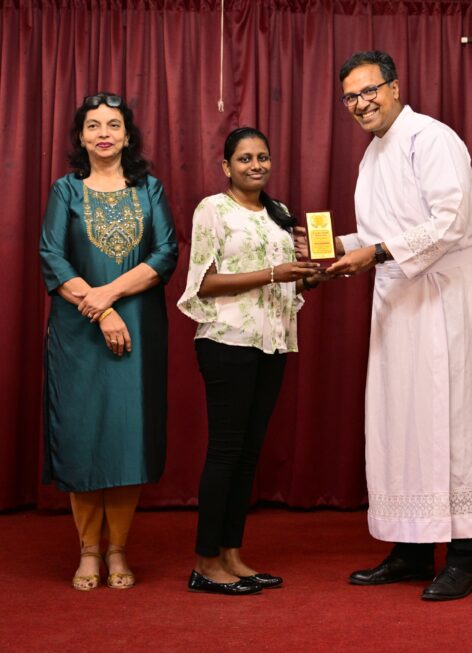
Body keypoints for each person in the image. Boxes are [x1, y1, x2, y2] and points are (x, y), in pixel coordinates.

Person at [326, 50, 472, 601]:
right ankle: (412, 547)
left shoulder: (431, 137)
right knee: (400, 423)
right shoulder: (372, 155)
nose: (361, 103)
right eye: (350, 96)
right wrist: (331, 251)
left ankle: (464, 556)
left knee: (451, 421)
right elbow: (378, 232)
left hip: (441, 296)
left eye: (369, 90)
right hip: (396, 301)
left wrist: (371, 253)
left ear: (395, 87)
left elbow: (451, 220)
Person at [39, 93, 179, 591]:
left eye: (113, 125)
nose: (103, 133)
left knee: (127, 439)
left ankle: (118, 550)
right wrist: (99, 313)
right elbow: (52, 258)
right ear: (80, 136)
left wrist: (109, 296)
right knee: (83, 436)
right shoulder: (66, 191)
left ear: (127, 135)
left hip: (138, 328)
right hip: (79, 333)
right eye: (93, 125)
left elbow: (165, 255)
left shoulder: (150, 190)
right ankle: (88, 551)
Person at [177, 127, 322, 596]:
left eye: (263, 157)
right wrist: (277, 272)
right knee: (225, 450)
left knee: (247, 453)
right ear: (226, 166)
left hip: (272, 341)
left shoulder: (278, 214)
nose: (255, 165)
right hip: (227, 341)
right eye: (244, 158)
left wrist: (307, 278)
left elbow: (283, 285)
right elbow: (205, 284)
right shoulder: (212, 210)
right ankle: (204, 563)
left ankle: (232, 555)